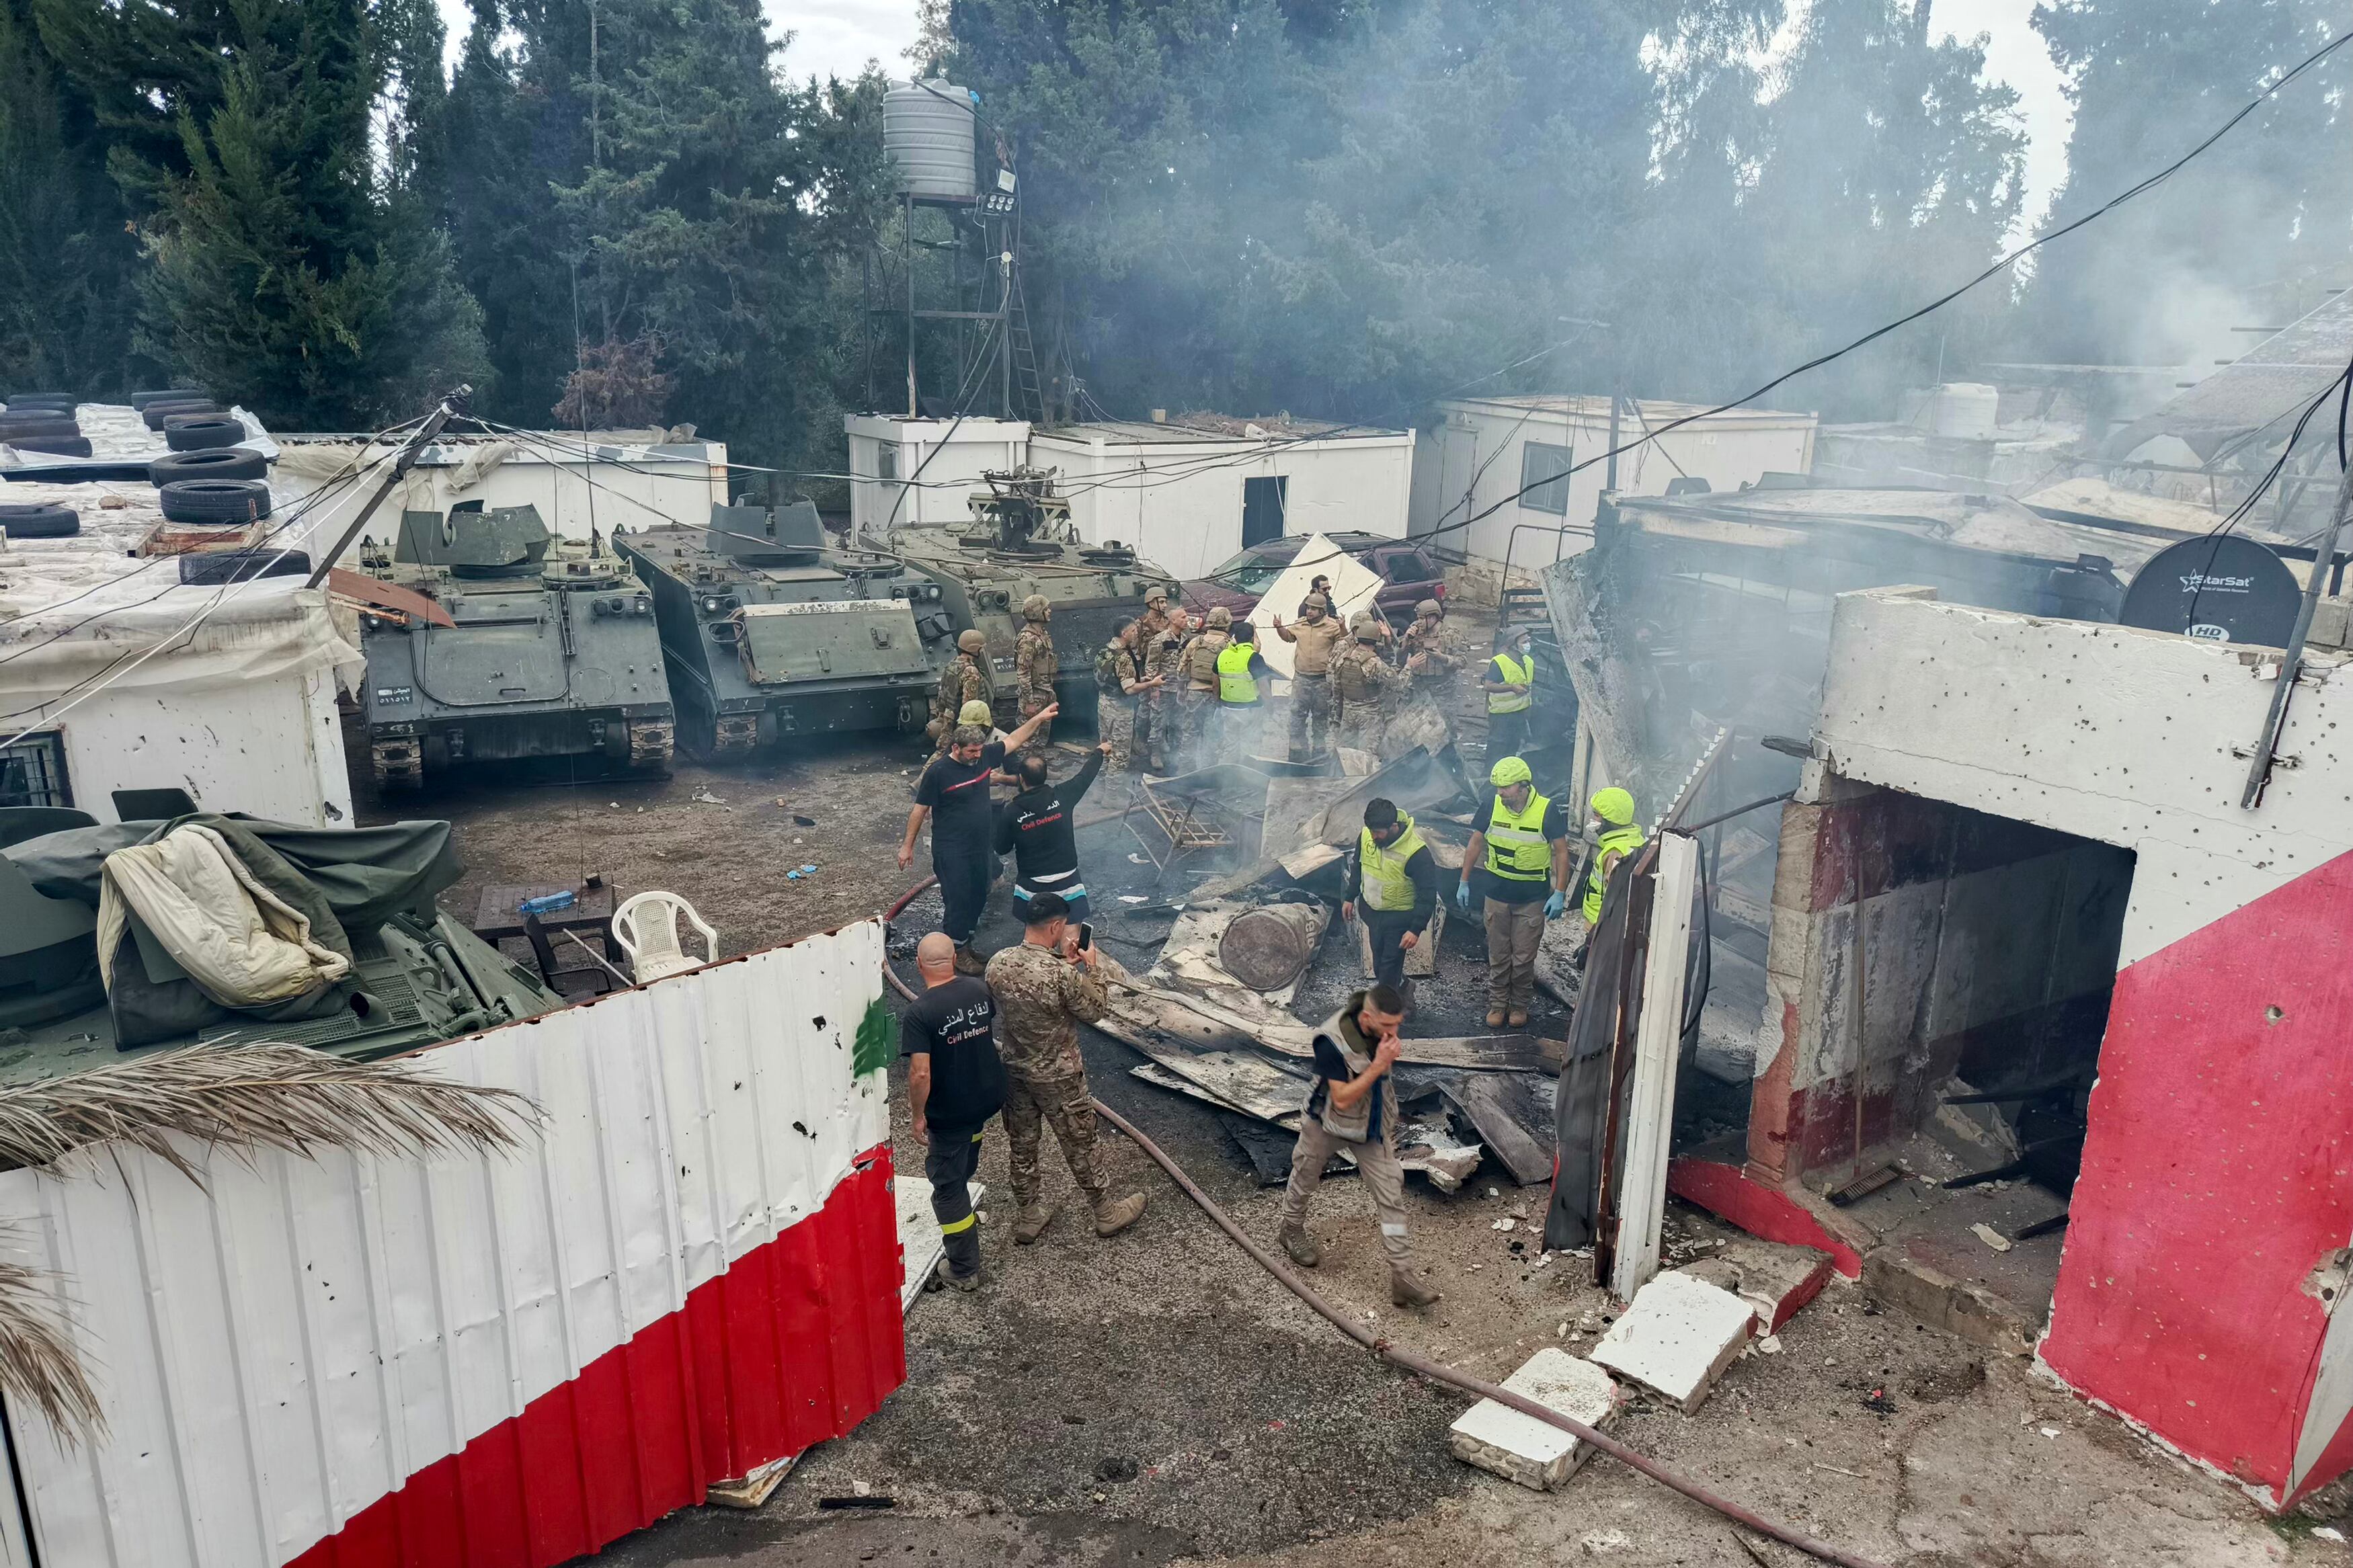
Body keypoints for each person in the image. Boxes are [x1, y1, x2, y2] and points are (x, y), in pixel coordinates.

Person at [984, 893, 1148, 1243]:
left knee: (1022, 1144)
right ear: (1057, 926)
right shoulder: (1061, 975)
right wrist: (1092, 968)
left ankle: (1029, 1214)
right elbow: (1095, 1010)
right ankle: (1106, 1212)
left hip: (1015, 1069)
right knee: (1080, 1143)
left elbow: (1029, 985)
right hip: (1059, 1077)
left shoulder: (998, 963)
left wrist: (1064, 964)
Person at [1274, 982, 1441, 1309]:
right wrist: (1379, 1064)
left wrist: (1383, 1063)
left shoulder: (1380, 1030)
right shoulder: (1331, 1042)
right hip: (1328, 1122)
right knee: (1306, 1175)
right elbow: (1343, 1097)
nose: (1396, 1032)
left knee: (1391, 1196)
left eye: (1398, 1024)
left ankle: (1403, 1277)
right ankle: (1291, 1228)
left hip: (1370, 1126)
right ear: (1368, 1017)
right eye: (1390, 1025)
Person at [901, 703, 1058, 974]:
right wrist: (907, 846)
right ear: (955, 749)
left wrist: (1040, 718)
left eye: (978, 750)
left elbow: (1015, 738)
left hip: (979, 846)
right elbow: (919, 810)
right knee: (958, 899)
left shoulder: (984, 756)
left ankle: (966, 943)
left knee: (979, 893)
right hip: (952, 849)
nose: (976, 756)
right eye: (970, 752)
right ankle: (956, 950)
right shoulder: (939, 773)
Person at [902, 932, 1006, 1292]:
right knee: (969, 1147)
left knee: (946, 1188)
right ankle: (965, 1206)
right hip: (986, 1098)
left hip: (951, 1112)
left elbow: (920, 1073)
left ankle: (963, 1268)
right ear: (955, 960)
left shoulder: (920, 1012)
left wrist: (917, 1115)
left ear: (918, 965)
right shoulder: (978, 991)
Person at [1455, 755, 1571, 1028]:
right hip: (1496, 896)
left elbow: (1561, 851)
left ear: (1523, 786)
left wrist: (1560, 892)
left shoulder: (1547, 810)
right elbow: (1475, 843)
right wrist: (1464, 880)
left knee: (1523, 958)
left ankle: (1519, 1006)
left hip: (1531, 900)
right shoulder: (1490, 806)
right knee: (1498, 955)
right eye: (1498, 787)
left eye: (1505, 788)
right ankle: (1497, 1004)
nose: (1500, 793)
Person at [997, 740, 1109, 923]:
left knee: (1037, 933)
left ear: (1022, 779)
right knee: (1071, 932)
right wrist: (1099, 751)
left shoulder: (1012, 811)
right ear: (1045, 776)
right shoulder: (1063, 795)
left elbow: (1002, 848)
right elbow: (1085, 776)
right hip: (1067, 881)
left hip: (1032, 885)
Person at [1340, 798, 1438, 999]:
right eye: (1371, 831)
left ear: (1393, 826)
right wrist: (1350, 897)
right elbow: (1358, 867)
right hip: (1373, 915)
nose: (1374, 836)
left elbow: (1427, 894)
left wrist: (1415, 929)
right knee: (1379, 967)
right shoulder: (1367, 835)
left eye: (1378, 832)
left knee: (1387, 972)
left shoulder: (1417, 853)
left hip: (1399, 920)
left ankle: (1386, 1020)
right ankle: (1404, 987)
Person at [1330, 610, 1418, 761]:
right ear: (1375, 639)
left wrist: (1337, 716)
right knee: (1367, 758)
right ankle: (1365, 783)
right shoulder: (1374, 664)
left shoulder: (1343, 658)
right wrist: (1409, 666)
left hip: (1348, 713)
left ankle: (1339, 782)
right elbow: (1397, 684)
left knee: (1344, 756)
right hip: (1370, 717)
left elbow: (1336, 690)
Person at [1271, 593, 1347, 761]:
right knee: (1297, 716)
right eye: (1308, 607)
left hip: (1322, 681)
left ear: (1322, 610)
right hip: (1301, 679)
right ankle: (1298, 754)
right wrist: (1279, 628)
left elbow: (1344, 642)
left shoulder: (1333, 627)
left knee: (1321, 718)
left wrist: (1343, 627)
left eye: (1313, 608)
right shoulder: (1300, 624)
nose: (1309, 611)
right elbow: (1288, 638)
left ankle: (1319, 754)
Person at [1093, 618, 1159, 773]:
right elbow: (1129, 689)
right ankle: (1113, 796)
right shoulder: (1123, 657)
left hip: (1104, 704)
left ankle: (1100, 787)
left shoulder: (1105, 651)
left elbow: (1115, 678)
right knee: (1120, 757)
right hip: (1120, 710)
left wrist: (1139, 680)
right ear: (1124, 634)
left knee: (1105, 750)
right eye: (1134, 631)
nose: (1137, 634)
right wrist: (1152, 684)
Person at [1171, 606, 1232, 773]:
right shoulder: (1229, 645)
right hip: (1215, 697)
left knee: (1190, 734)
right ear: (1227, 624)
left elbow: (1182, 668)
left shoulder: (1196, 642)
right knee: (1212, 736)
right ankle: (1208, 773)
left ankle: (1185, 771)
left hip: (1194, 693)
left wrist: (1181, 690)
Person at [1579, 786, 1647, 930]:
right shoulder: (1635, 840)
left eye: (1597, 815)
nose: (1593, 819)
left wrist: (1593, 938)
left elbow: (1611, 901)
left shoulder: (1615, 853)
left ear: (1610, 820)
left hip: (1601, 927)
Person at [1214, 619, 1275, 758]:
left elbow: (1215, 684)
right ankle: (1248, 777)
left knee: (1230, 747)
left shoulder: (1222, 656)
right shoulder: (1254, 658)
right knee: (1250, 748)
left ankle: (1228, 777)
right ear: (1252, 639)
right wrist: (1270, 707)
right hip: (1250, 711)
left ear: (1235, 638)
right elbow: (1264, 688)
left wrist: (1218, 705)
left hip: (1228, 709)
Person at [1141, 605, 1191, 772]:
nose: (1186, 620)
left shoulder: (1185, 640)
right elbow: (1151, 665)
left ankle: (1176, 755)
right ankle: (1155, 754)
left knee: (1178, 724)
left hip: (1180, 689)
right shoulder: (1160, 640)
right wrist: (1154, 688)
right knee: (1158, 723)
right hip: (1163, 690)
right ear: (1173, 620)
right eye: (1183, 617)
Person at [932, 628, 994, 756]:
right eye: (981, 648)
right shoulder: (970, 671)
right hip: (962, 721)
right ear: (974, 649)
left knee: (943, 751)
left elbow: (942, 692)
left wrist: (941, 713)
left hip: (949, 715)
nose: (982, 651)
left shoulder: (952, 664)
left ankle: (925, 775)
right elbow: (969, 704)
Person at [1481, 625, 1536, 764]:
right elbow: (1488, 686)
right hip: (1501, 717)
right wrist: (1511, 688)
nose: (1527, 645)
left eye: (1528, 641)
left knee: (1512, 749)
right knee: (1497, 750)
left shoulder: (1528, 661)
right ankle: (1489, 779)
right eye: (1524, 642)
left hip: (1519, 714)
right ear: (1512, 644)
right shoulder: (1500, 662)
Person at [1131, 588, 1174, 769]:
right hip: (1145, 670)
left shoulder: (1167, 621)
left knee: (1162, 709)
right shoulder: (1140, 623)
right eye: (1161, 602)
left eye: (1165, 602)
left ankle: (1160, 739)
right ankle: (1139, 738)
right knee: (1144, 709)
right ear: (1151, 603)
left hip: (1163, 668)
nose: (1165, 605)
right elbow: (1134, 647)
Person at [1014, 595, 1058, 760]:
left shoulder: (1042, 635)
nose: (1050, 611)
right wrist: (1029, 701)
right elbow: (1023, 672)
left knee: (1041, 738)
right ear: (1037, 613)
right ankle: (1022, 774)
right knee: (1027, 739)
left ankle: (1039, 769)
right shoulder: (1027, 640)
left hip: (1046, 692)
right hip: (1034, 695)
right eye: (1046, 609)